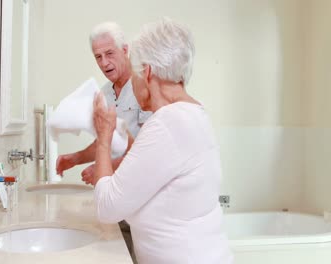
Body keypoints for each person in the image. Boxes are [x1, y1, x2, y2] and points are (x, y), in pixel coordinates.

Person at [92, 18, 233, 264]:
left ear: (146, 72)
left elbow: (107, 207)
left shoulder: (168, 123)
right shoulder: (195, 114)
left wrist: (104, 137)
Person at [55, 22, 151, 263]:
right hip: (117, 197)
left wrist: (102, 166)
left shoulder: (143, 88)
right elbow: (104, 142)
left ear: (125, 50)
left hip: (143, 200)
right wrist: (75, 159)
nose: (104, 62)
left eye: (109, 53)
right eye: (98, 56)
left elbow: (145, 150)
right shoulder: (104, 94)